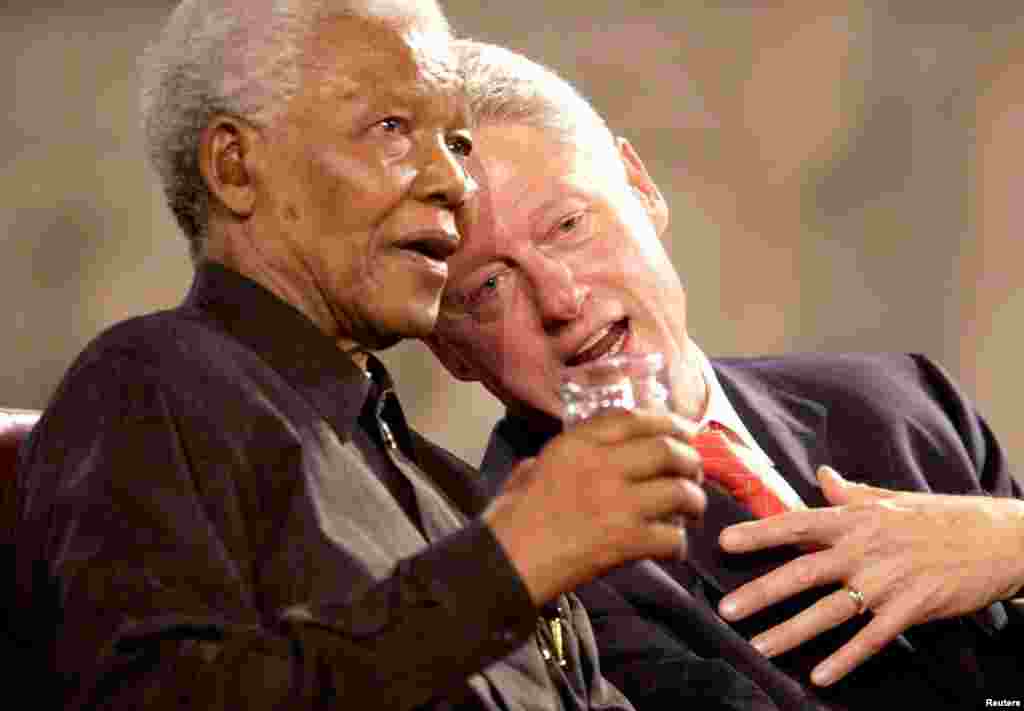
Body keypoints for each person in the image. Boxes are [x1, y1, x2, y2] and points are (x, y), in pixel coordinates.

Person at [8, 3, 709, 709]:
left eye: (457, 143)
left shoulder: (456, 494)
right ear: (234, 166)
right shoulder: (148, 388)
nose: (453, 183)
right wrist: (503, 569)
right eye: (393, 129)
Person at [426, 40, 1024, 709]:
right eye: (487, 288)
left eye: (567, 224)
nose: (561, 300)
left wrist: (1012, 541)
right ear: (449, 350)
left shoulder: (905, 400)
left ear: (640, 188)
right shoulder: (511, 584)